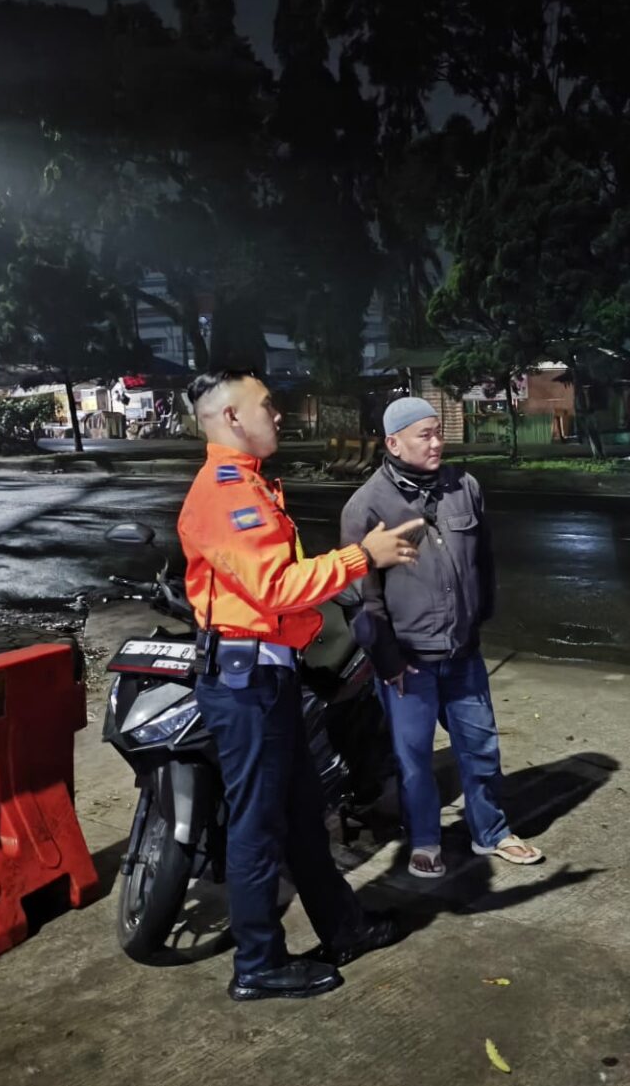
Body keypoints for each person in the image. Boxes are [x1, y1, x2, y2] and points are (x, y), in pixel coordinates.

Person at [177, 369, 424, 1002]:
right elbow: (273, 587)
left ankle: (343, 928)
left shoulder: (248, 484)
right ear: (231, 417)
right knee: (259, 825)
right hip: (246, 681)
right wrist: (361, 557)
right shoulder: (226, 490)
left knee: (299, 817)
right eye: (267, 405)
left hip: (266, 675)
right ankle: (256, 965)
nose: (278, 414)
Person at [340, 397, 542, 879]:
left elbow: (484, 560)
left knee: (481, 748)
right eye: (424, 435)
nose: (436, 443)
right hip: (407, 661)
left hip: (463, 653)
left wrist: (477, 620)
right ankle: (425, 839)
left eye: (438, 433)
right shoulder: (366, 506)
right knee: (413, 761)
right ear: (393, 443)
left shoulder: (464, 486)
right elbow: (361, 600)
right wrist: (387, 660)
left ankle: (490, 832)